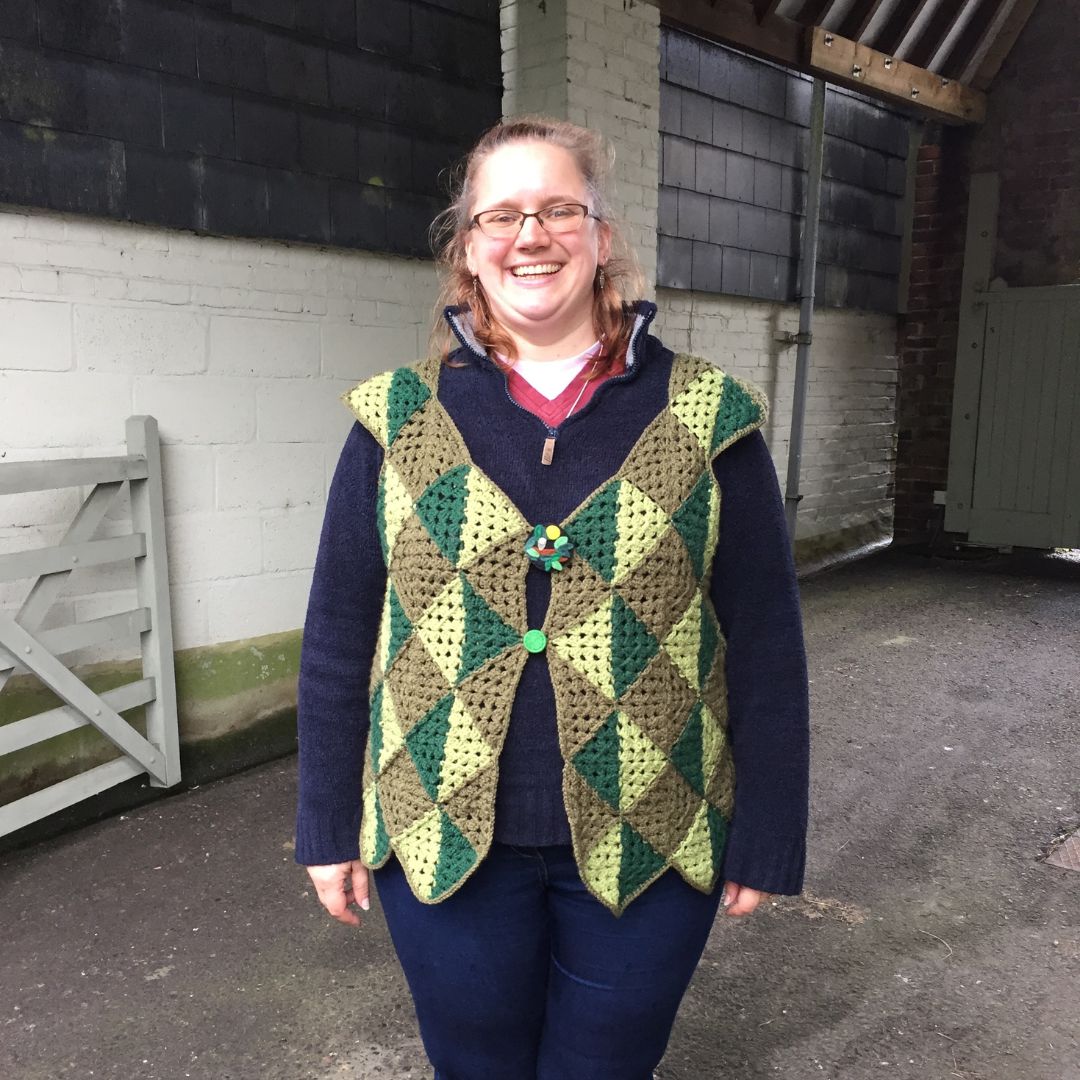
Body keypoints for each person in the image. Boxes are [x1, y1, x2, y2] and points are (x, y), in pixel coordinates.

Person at [296, 116, 809, 1080]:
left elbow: (768, 644)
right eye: (502, 216)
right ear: (469, 249)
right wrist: (325, 824)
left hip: (654, 827)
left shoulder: (704, 417)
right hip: (440, 835)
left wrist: (771, 831)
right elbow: (335, 637)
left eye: (559, 209)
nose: (531, 235)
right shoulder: (398, 420)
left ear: (601, 237)